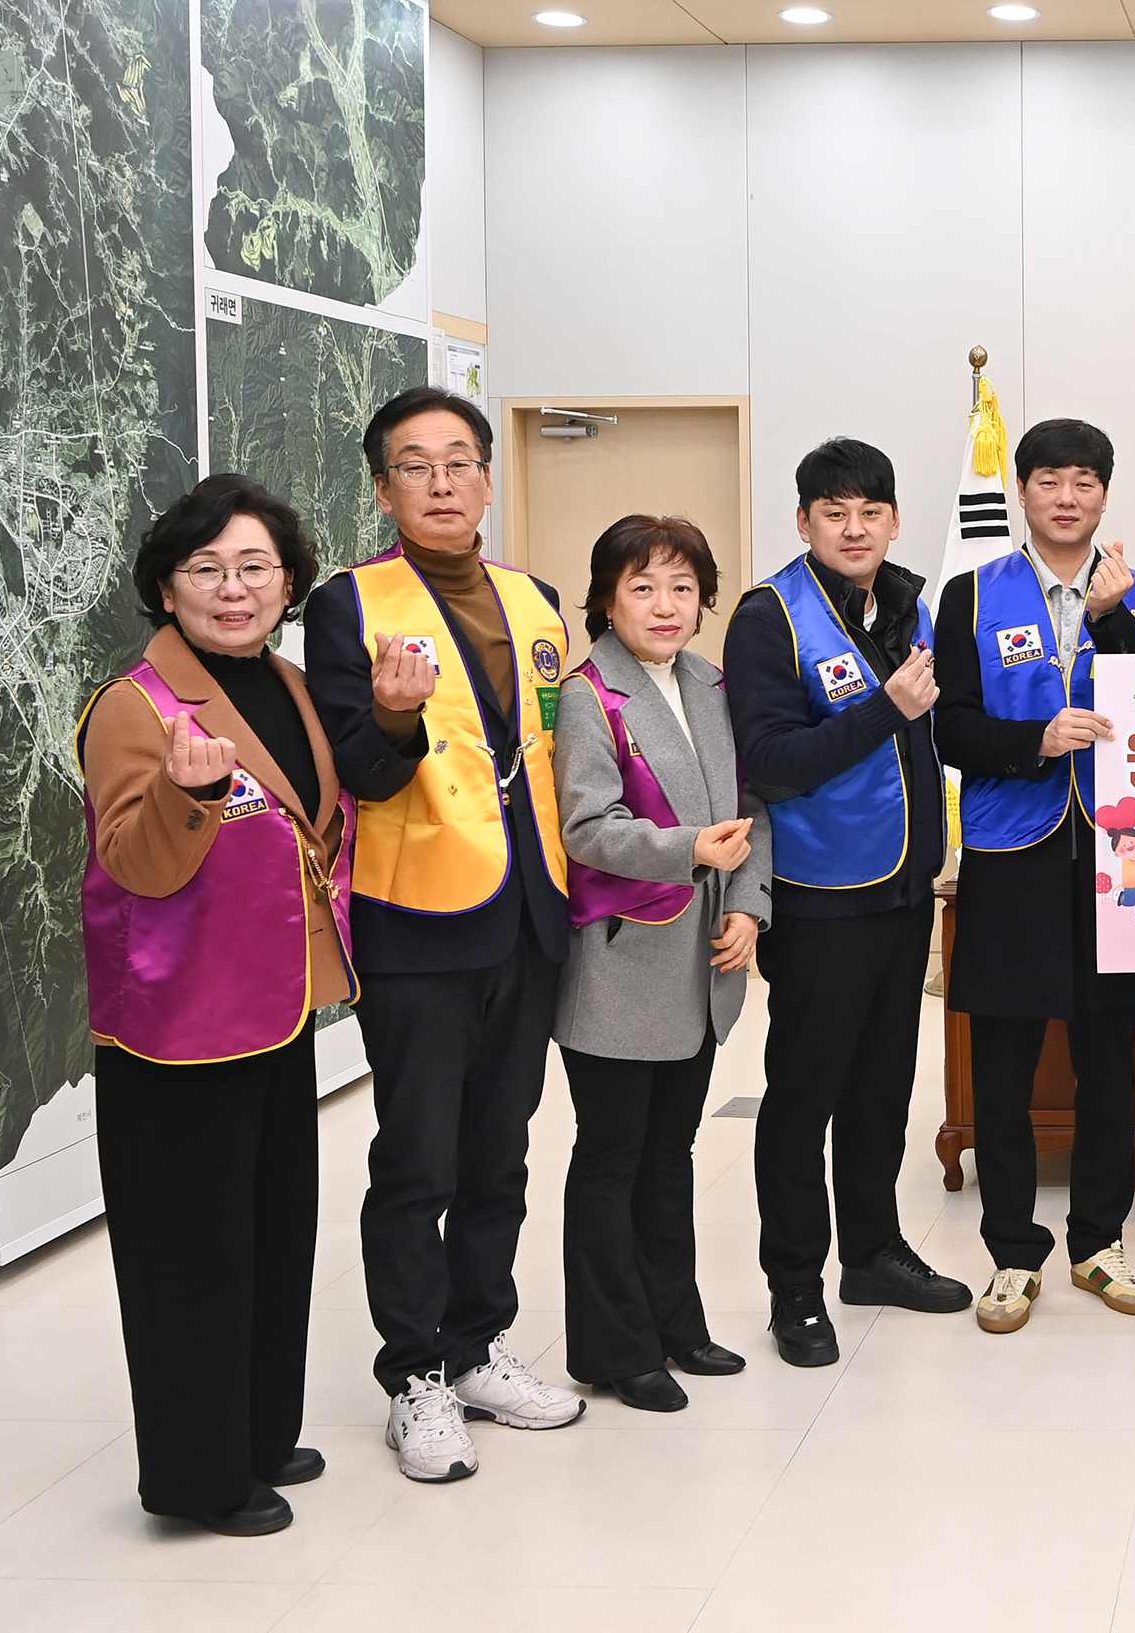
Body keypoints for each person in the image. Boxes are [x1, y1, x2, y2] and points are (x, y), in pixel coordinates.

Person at [304, 387, 584, 1483]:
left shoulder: (535, 600)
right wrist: (389, 713)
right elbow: (359, 775)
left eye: (460, 462)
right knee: (417, 1160)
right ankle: (413, 1373)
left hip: (530, 910)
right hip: (419, 920)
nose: (442, 483)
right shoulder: (349, 604)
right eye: (415, 466)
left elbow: (553, 753)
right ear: (384, 488)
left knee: (500, 1153)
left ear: (486, 478)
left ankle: (476, 1346)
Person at [79, 476, 348, 1536]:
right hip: (177, 1028)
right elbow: (133, 863)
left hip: (275, 1008)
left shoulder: (285, 681)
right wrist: (186, 796)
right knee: (191, 1257)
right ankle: (200, 1479)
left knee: (274, 1231)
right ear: (166, 586)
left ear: (287, 582)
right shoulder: (134, 705)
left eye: (254, 568)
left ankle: (260, 1433)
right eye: (207, 569)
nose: (233, 589)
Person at [933, 417, 1135, 1333]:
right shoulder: (969, 595)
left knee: (1108, 1061)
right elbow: (950, 728)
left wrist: (1115, 624)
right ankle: (1011, 1252)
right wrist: (1034, 740)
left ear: (1105, 495)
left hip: (1117, 853)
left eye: (1084, 482)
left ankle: (1098, 1243)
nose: (1067, 498)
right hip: (1013, 849)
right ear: (1023, 492)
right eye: (1049, 481)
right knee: (1003, 1064)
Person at [725, 437, 971, 1368]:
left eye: (871, 511)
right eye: (834, 512)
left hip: (905, 887)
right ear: (804, 522)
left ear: (895, 520)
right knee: (804, 1098)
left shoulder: (907, 602)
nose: (854, 527)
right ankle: (795, 1285)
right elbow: (769, 764)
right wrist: (884, 709)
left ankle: (873, 1255)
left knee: (882, 1087)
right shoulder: (770, 616)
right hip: (820, 894)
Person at [551, 516, 771, 1411]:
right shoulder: (587, 694)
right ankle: (615, 1348)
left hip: (703, 964)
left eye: (683, 587)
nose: (665, 605)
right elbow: (587, 827)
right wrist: (690, 851)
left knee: (670, 1154)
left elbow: (751, 808)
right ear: (607, 600)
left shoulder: (711, 684)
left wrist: (750, 905)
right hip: (621, 963)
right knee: (612, 1157)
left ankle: (675, 1324)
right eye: (642, 587)